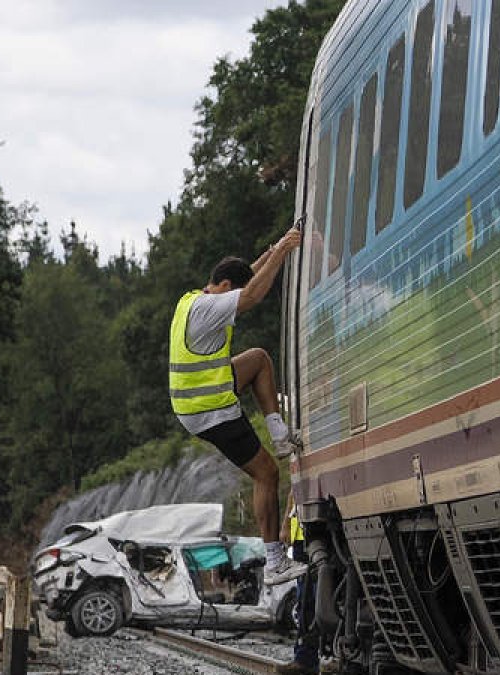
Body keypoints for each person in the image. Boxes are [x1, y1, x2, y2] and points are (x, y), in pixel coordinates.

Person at [168, 226, 306, 586]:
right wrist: (286, 251)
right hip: (209, 409)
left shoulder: (193, 299)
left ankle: (278, 432)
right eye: (236, 290)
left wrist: (273, 250)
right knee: (266, 475)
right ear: (225, 288)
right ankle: (275, 562)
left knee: (258, 359)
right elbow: (252, 295)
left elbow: (245, 281)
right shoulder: (210, 309)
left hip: (195, 399)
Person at [280, 491, 318, 675]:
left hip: (319, 534)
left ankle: (321, 658)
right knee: (305, 601)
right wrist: (286, 525)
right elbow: (293, 492)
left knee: (319, 598)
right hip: (301, 541)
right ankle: (305, 659)